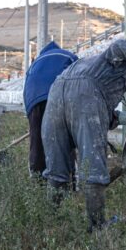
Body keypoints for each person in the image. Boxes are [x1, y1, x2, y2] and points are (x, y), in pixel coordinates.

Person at [42, 39, 126, 232]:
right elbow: (119, 45)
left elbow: (101, 113)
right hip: (84, 97)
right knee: (93, 166)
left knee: (57, 168)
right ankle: (97, 226)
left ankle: (52, 223)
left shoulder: (87, 66)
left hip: (54, 96)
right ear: (125, 78)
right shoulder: (115, 67)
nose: (121, 92)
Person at [22, 41, 77, 177]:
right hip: (60, 97)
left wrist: (31, 119)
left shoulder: (35, 63)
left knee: (37, 141)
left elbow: (26, 88)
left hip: (34, 100)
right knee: (64, 138)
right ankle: (67, 179)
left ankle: (37, 179)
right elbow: (81, 75)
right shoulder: (68, 56)